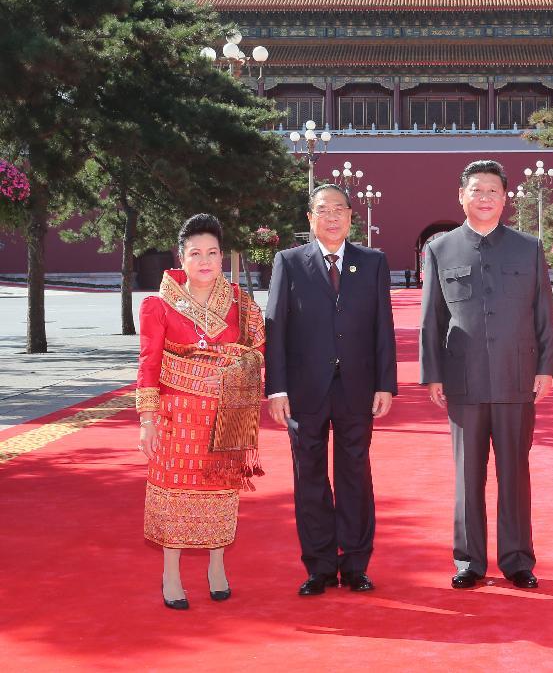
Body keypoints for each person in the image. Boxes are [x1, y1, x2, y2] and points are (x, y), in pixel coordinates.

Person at [420, 160, 553, 590]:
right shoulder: (441, 250)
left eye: (494, 191)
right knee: (468, 475)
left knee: (515, 472)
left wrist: (546, 368)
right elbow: (432, 316)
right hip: (464, 380)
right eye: (477, 191)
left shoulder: (528, 248)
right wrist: (433, 374)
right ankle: (470, 560)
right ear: (461, 196)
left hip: (517, 377)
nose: (485, 198)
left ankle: (518, 559)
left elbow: (544, 312)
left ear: (506, 198)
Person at [265, 184, 397, 596]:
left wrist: (385, 384)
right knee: (310, 479)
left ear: (351, 216)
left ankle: (356, 564)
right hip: (304, 391)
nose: (333, 216)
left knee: (356, 475)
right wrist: (277, 389)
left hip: (357, 388)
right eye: (324, 209)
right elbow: (276, 328)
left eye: (340, 209)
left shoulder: (372, 262)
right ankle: (319, 566)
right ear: (310, 218)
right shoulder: (288, 262)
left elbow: (383, 329)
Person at [137, 213, 265, 610]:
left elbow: (258, 353)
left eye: (212, 252)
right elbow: (149, 363)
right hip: (176, 416)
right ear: (181, 257)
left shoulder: (241, 306)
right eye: (196, 253)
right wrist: (146, 419)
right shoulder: (158, 306)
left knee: (221, 492)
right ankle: (171, 574)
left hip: (227, 416)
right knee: (175, 493)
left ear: (222, 256)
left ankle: (216, 566)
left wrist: (238, 361)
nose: (205, 260)